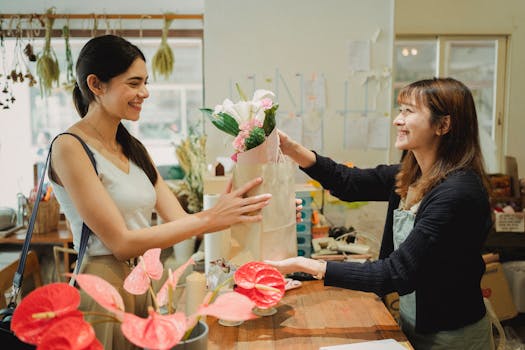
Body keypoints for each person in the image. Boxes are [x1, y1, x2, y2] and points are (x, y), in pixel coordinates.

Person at [48, 35, 271, 349]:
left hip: (142, 284)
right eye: (134, 83)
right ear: (97, 85)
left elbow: (180, 222)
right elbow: (122, 244)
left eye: (145, 82)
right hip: (102, 288)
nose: (145, 93)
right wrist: (210, 218)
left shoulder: (133, 148)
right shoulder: (70, 147)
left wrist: (242, 210)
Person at [267, 78, 493, 350]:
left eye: (409, 112)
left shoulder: (457, 193)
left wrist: (309, 265)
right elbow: (348, 182)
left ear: (443, 125)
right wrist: (291, 148)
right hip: (414, 321)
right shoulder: (412, 175)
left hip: (452, 335)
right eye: (400, 110)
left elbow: (397, 272)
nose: (398, 120)